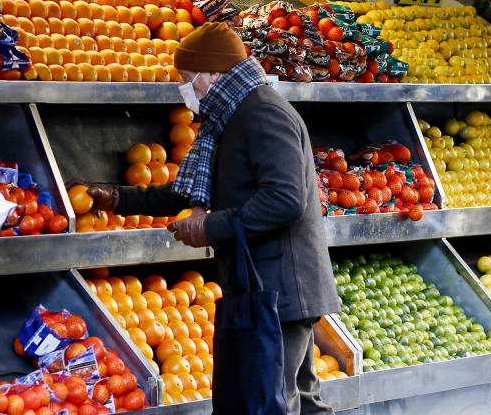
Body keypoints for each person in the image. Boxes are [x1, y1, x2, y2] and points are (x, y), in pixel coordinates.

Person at [79, 22, 339, 415]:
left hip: (280, 289)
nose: (186, 89)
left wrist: (210, 226)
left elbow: (286, 199)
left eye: (187, 79)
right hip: (264, 287)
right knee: (295, 402)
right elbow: (185, 191)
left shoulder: (263, 114)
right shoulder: (230, 118)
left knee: (274, 404)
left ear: (213, 74)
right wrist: (117, 198)